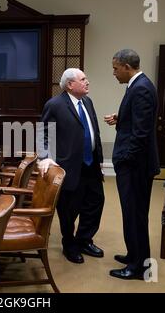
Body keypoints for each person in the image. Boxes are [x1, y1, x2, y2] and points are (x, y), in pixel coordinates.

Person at [38, 68, 105, 264]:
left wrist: (99, 159)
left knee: (95, 203)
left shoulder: (88, 102)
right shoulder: (55, 105)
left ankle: (84, 240)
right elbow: (43, 134)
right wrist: (44, 157)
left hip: (91, 163)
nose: (87, 82)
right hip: (69, 166)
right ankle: (69, 244)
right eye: (83, 79)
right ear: (70, 84)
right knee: (69, 209)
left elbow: (94, 132)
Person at [105, 49, 159, 280]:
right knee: (132, 214)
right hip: (134, 164)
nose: (114, 73)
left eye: (116, 68)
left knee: (135, 215)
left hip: (135, 166)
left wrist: (124, 159)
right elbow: (138, 120)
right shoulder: (138, 86)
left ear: (127, 67)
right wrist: (121, 118)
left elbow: (141, 133)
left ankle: (138, 268)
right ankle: (134, 255)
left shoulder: (141, 89)